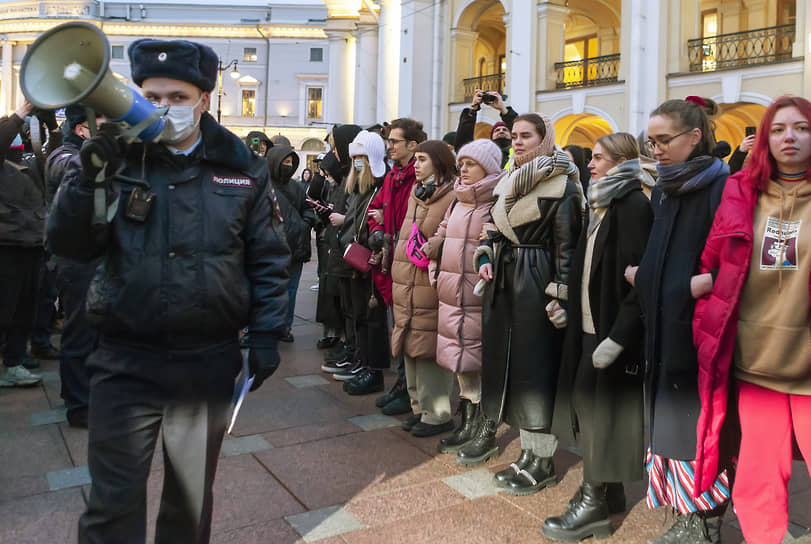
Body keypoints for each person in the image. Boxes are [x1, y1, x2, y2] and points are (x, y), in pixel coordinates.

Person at [46, 38, 289, 543]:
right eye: (151, 96)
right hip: (123, 362)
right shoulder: (117, 161)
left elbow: (267, 256)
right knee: (112, 505)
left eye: (177, 97)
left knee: (188, 503)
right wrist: (89, 177)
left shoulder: (242, 167)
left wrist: (267, 332)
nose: (163, 108)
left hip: (204, 363)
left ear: (204, 98)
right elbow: (70, 243)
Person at [693, 96, 811, 544]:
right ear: (765, 139)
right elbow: (712, 256)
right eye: (779, 129)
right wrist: (705, 286)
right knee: (758, 477)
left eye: (801, 127)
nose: (789, 137)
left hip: (807, 365)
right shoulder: (741, 190)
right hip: (755, 362)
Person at [462, 114, 582, 493]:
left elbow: (568, 249)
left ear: (545, 139)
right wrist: (484, 256)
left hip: (538, 283)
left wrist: (560, 296)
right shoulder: (511, 181)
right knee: (513, 369)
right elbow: (494, 233)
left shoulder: (563, 185)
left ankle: (542, 459)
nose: (517, 141)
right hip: (506, 283)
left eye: (526, 136)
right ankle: (528, 454)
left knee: (538, 371)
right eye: (514, 136)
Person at [543, 133, 653, 541]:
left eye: (600, 158)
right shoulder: (601, 201)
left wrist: (620, 337)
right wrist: (568, 307)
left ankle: (592, 503)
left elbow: (640, 280)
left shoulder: (634, 205)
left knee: (603, 418)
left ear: (623, 161)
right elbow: (589, 267)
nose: (591, 163)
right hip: (589, 327)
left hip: (611, 334)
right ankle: (613, 492)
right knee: (591, 413)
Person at [630, 98, 730, 544]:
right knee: (670, 420)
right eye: (652, 142)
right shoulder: (665, 187)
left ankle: (704, 521)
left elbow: (736, 261)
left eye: (665, 140)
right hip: (665, 324)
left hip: (702, 329)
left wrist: (699, 285)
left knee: (699, 423)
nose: (657, 150)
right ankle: (684, 511)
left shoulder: (724, 186)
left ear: (694, 136)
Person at [430, 139, 503, 453]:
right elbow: (442, 233)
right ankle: (467, 422)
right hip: (450, 292)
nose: (463, 169)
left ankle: (482, 425)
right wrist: (433, 261)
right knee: (458, 360)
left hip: (477, 294)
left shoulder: (497, 200)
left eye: (470, 163)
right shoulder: (458, 200)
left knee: (478, 359)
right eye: (461, 163)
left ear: (487, 166)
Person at [43, 104, 104, 427]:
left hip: (92, 256)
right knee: (80, 332)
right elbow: (66, 170)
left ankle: (88, 394)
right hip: (75, 260)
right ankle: (79, 406)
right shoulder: (64, 156)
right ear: (83, 129)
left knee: (94, 332)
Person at [391, 140, 457, 436]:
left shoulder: (453, 195)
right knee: (411, 346)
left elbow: (450, 237)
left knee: (429, 348)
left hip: (429, 281)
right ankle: (419, 407)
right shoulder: (416, 194)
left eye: (422, 160)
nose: (415, 165)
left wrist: (434, 248)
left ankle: (438, 413)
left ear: (439, 163)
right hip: (407, 280)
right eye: (415, 160)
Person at [362, 119, 427, 402]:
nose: (389, 146)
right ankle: (402, 385)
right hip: (391, 261)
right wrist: (377, 233)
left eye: (394, 142)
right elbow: (375, 208)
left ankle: (407, 386)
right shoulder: (392, 176)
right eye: (388, 141)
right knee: (398, 323)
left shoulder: (419, 178)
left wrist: (393, 236)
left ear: (412, 145)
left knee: (410, 327)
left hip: (410, 262)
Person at [333, 130, 390, 395]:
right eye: (354, 157)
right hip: (355, 258)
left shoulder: (380, 185)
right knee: (359, 316)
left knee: (372, 318)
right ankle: (363, 362)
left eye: (362, 157)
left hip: (371, 259)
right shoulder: (359, 188)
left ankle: (373, 369)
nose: (357, 163)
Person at [0, 100, 47, 387]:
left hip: (32, 245)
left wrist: (50, 123)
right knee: (4, 309)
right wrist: (20, 113)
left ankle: (14, 364)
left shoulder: (29, 162)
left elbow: (50, 149)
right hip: (6, 247)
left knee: (24, 311)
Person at [320, 124, 363, 371]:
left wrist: (343, 220)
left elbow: (359, 211)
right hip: (340, 247)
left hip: (352, 250)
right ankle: (351, 349)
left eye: (337, 148)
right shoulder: (348, 173)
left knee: (356, 309)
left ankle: (356, 353)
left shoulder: (356, 174)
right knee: (347, 306)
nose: (335, 153)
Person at [268, 146, 316, 343]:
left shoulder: (296, 188)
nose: (288, 166)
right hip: (270, 247)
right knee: (268, 289)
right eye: (284, 162)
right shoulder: (262, 185)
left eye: (290, 162)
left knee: (291, 290)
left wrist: (303, 225)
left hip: (294, 247)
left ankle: (284, 327)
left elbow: (308, 210)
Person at [455, 89, 517, 168]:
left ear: (512, 135)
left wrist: (503, 109)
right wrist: (473, 110)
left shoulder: (518, 151)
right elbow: (463, 146)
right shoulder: (483, 154)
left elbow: (521, 128)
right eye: (497, 130)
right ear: (491, 136)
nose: (501, 131)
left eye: (505, 129)